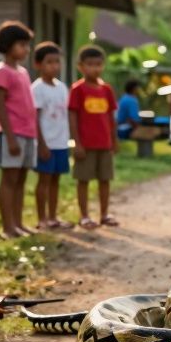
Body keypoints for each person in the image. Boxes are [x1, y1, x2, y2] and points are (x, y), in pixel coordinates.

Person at [0, 20, 37, 240]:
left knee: (21, 180)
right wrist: (9, 137)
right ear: (8, 45)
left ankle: (18, 224)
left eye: (27, 45)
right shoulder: (2, 72)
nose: (26, 50)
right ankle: (7, 227)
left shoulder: (23, 72)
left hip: (28, 133)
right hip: (11, 133)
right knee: (9, 180)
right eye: (21, 45)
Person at [68, 45, 119, 229]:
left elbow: (111, 117)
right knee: (83, 180)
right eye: (90, 64)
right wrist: (76, 143)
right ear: (80, 66)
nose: (94, 68)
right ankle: (84, 216)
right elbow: (72, 117)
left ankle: (104, 214)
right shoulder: (77, 90)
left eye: (98, 64)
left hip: (104, 144)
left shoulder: (106, 90)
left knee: (105, 179)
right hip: (85, 145)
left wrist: (114, 140)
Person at [31, 41, 72, 230]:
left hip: (61, 142)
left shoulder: (62, 88)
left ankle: (53, 217)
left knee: (56, 180)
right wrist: (41, 144)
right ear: (38, 64)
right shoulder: (37, 89)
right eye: (49, 62)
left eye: (57, 61)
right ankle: (41, 219)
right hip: (45, 143)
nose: (54, 66)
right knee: (44, 180)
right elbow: (35, 118)